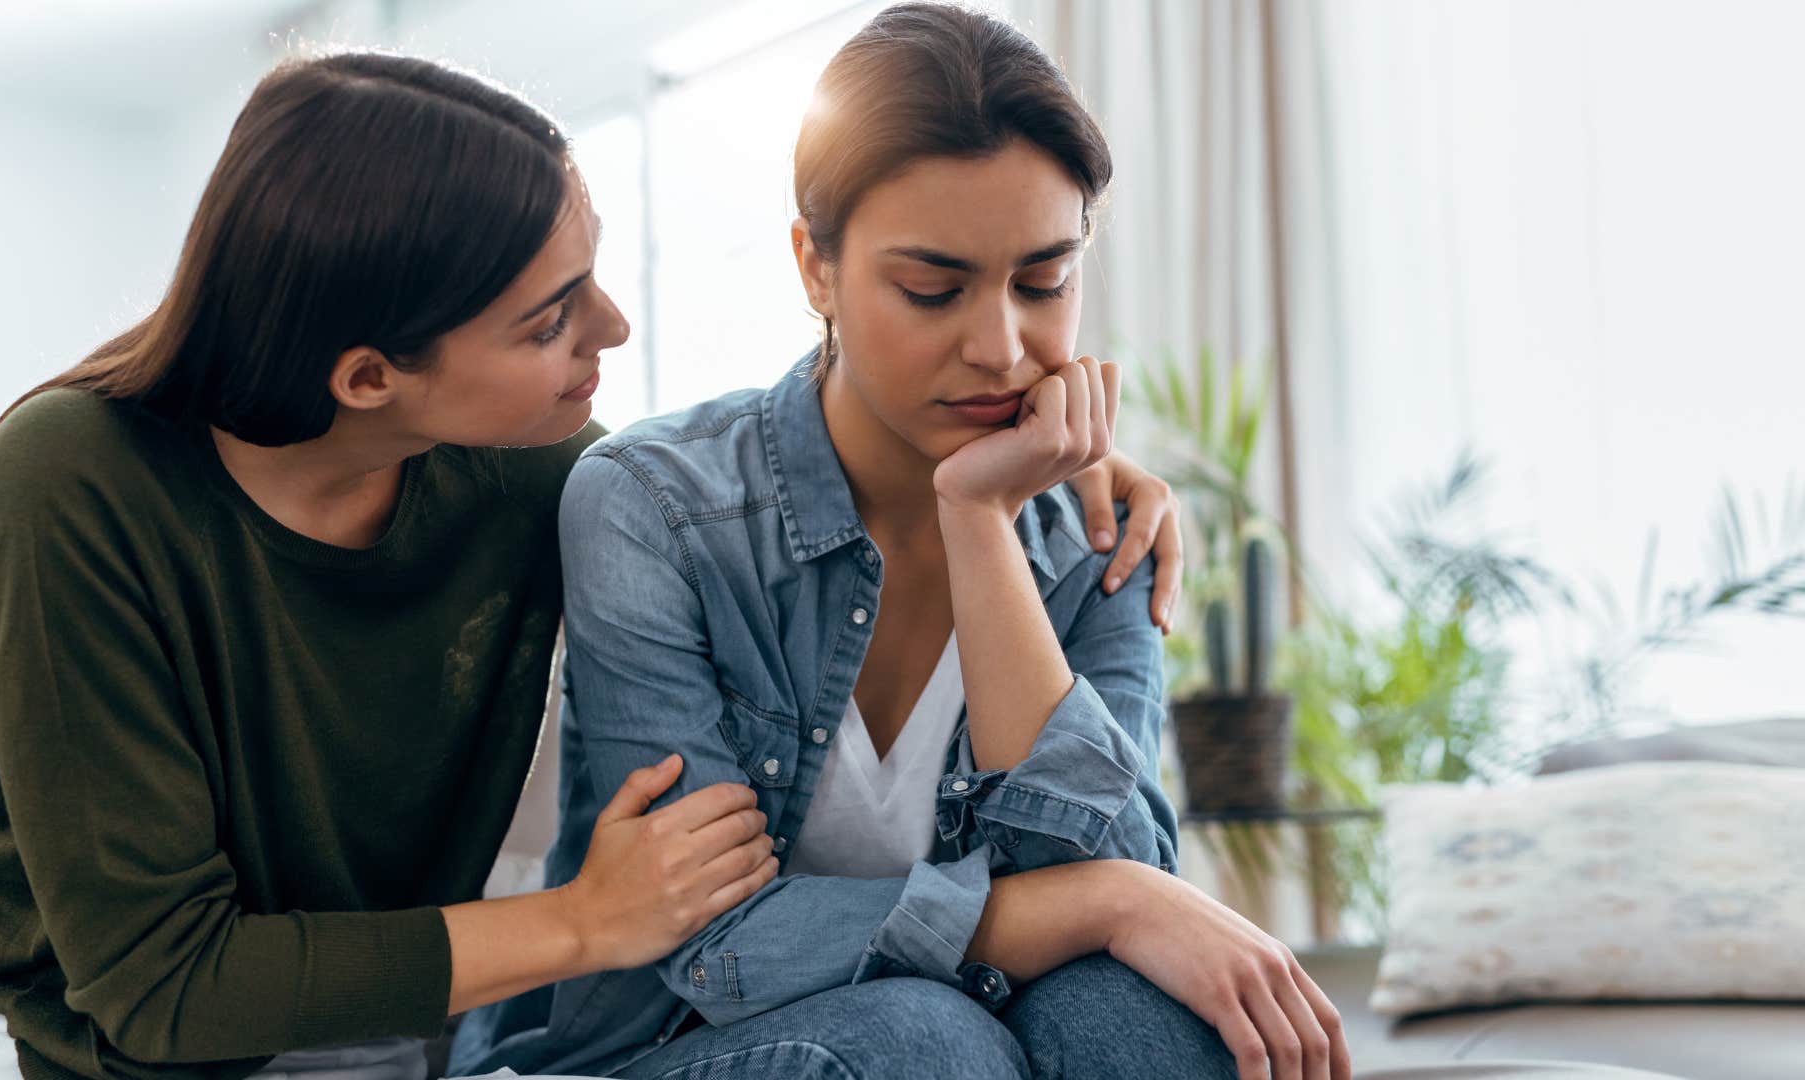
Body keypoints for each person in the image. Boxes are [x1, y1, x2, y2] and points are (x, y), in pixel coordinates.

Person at [0, 44, 1189, 1080]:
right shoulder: (73, 480)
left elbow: (753, 481)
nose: (612, 328)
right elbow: (158, 986)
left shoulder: (532, 470)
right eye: (551, 317)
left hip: (394, 1052)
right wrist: (584, 923)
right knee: (927, 1046)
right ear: (369, 379)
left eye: (596, 278)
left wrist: (1048, 478)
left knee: (1121, 1023)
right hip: (58, 1060)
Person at [452, 6, 1348, 1080]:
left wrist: (981, 528)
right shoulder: (657, 506)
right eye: (933, 289)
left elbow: (1121, 885)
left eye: (1044, 282)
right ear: (816, 270)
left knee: (1150, 1024)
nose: (1001, 349)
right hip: (661, 1051)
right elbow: (708, 944)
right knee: (929, 1043)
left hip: (958, 1039)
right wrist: (1095, 902)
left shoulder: (1099, 534)